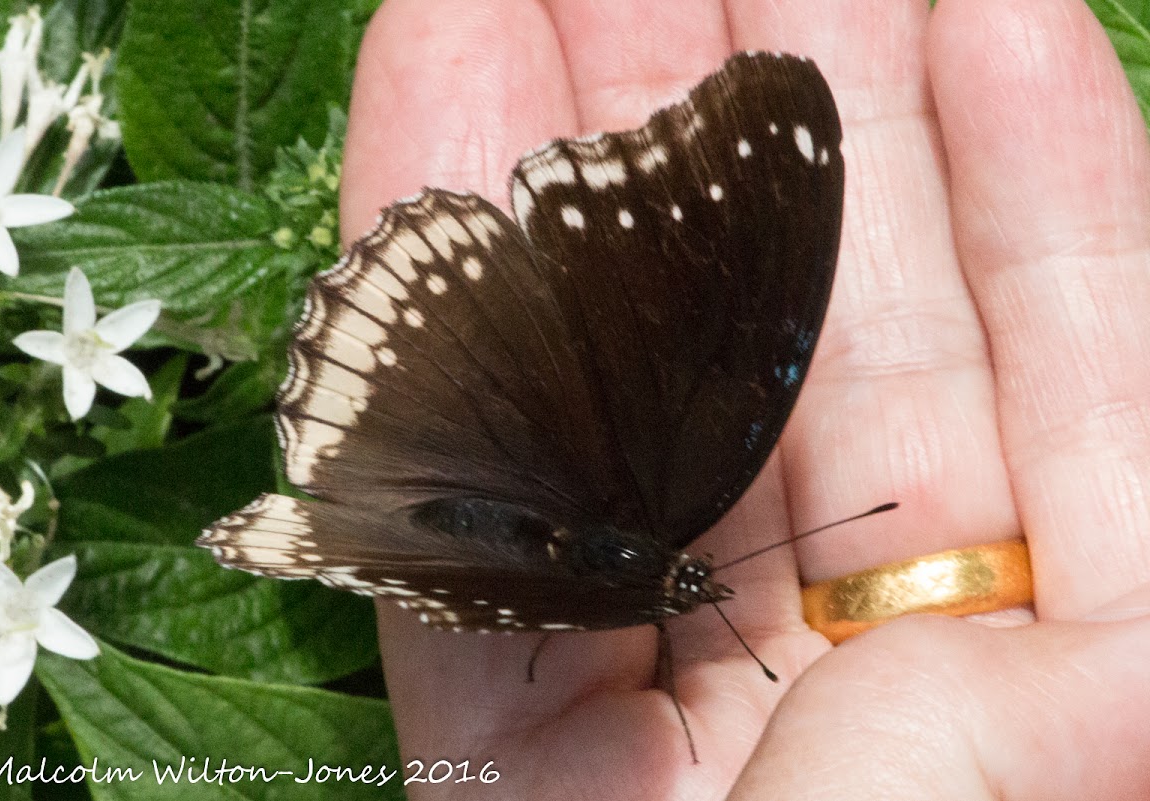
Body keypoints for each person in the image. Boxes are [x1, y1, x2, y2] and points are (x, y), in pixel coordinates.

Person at [341, 0, 1150, 797]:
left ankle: (349, 447)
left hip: (483, 423)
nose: (702, 585)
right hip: (499, 473)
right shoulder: (696, 484)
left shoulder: (678, 504)